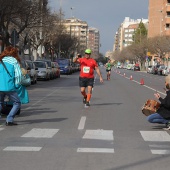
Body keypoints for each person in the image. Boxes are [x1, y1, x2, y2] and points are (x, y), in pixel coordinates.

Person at [0, 46, 22, 126]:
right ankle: (9, 119)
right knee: (17, 103)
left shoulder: (0, 60)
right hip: (9, 86)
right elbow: (18, 75)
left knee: (0, 102)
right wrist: (17, 84)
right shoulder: (13, 61)